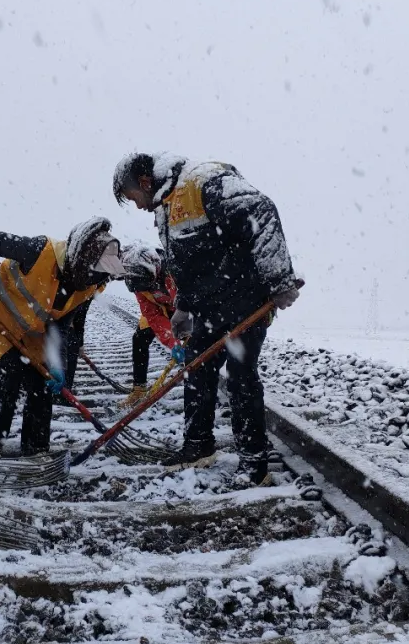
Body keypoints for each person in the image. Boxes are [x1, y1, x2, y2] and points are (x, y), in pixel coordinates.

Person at [112, 152, 300, 484]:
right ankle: (198, 445)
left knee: (241, 378)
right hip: (208, 308)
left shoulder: (202, 182)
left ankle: (254, 465)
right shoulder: (165, 209)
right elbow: (184, 265)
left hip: (245, 299)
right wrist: (183, 307)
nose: (138, 206)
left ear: (144, 182)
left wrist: (279, 280)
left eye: (134, 198)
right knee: (196, 370)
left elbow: (261, 210)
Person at [0, 217, 125, 458]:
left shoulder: (90, 284)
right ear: (79, 260)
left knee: (41, 381)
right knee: (8, 375)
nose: (93, 279)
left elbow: (61, 324)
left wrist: (57, 364)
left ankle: (35, 446)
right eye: (91, 273)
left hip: (34, 327)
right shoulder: (38, 251)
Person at [119, 245, 182, 409]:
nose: (143, 289)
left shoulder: (176, 269)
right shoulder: (137, 279)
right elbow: (152, 315)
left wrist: (184, 331)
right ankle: (139, 389)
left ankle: (200, 381)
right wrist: (172, 340)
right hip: (159, 309)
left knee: (197, 344)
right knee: (139, 339)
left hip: (183, 309)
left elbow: (193, 301)